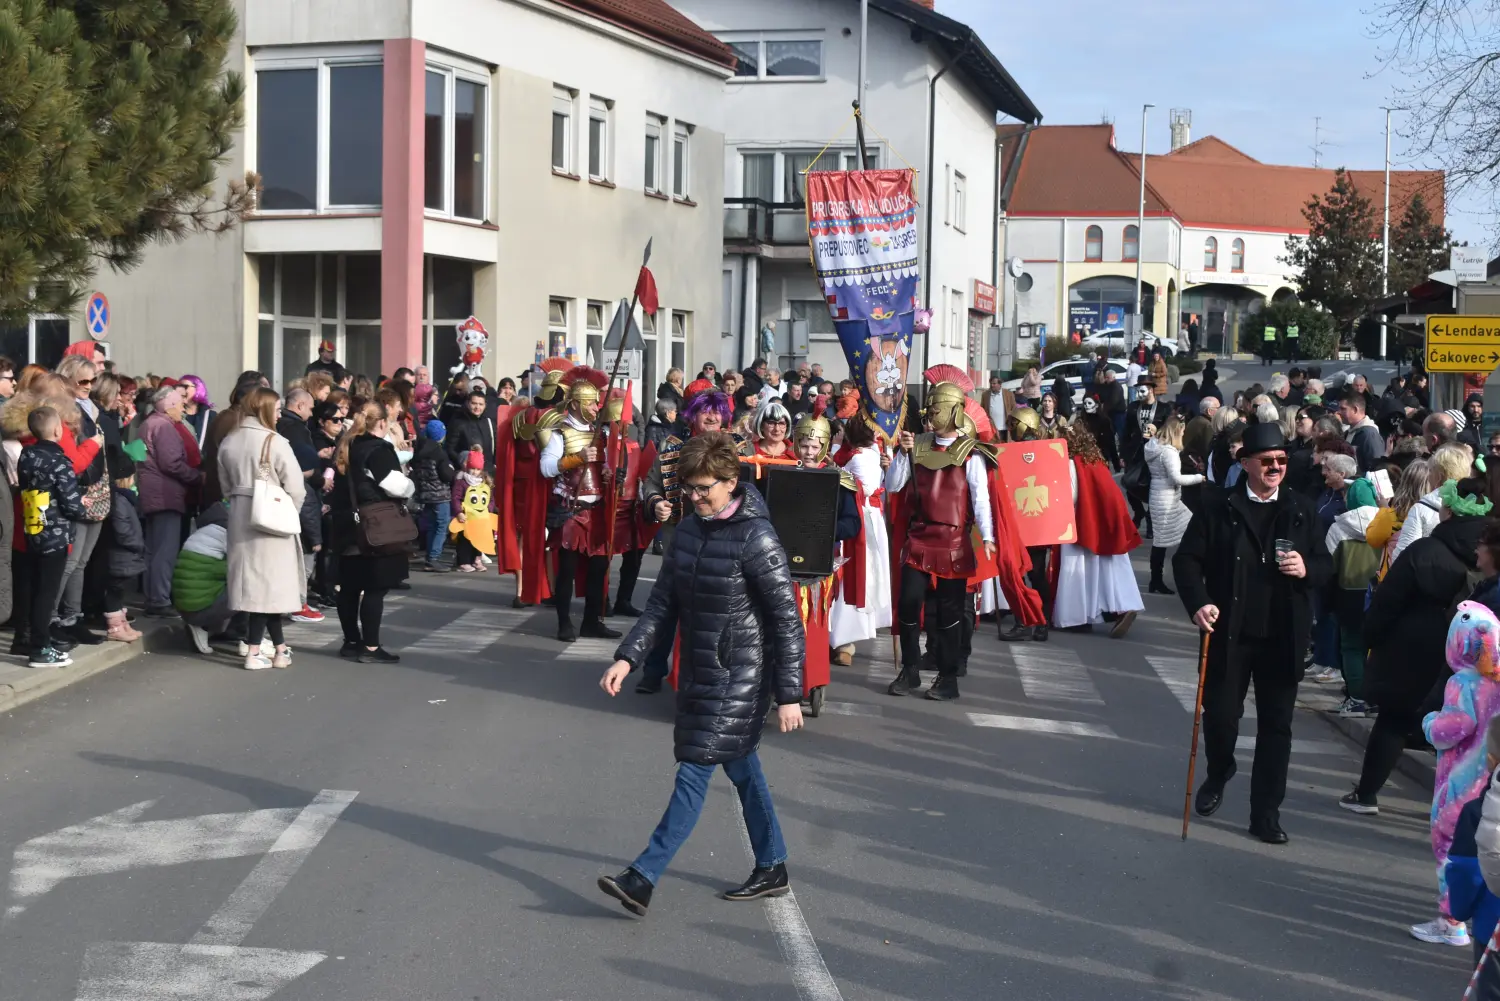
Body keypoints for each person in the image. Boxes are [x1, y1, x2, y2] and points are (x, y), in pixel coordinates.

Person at [596, 432, 805, 917]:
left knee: (694, 768)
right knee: (742, 768)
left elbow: (786, 619)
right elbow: (662, 604)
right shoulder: (688, 532)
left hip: (742, 676)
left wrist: (789, 694)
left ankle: (643, 876)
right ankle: (772, 864)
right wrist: (627, 658)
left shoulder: (757, 537)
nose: (694, 497)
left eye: (703, 488)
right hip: (698, 671)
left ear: (732, 482)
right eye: (688, 488)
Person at [1176, 421, 1331, 844]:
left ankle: (1265, 814)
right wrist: (1199, 603)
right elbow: (1187, 561)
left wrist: (1307, 569)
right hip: (1231, 632)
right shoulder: (1217, 506)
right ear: (1246, 464)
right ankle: (1220, 768)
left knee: (1276, 728)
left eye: (1282, 460)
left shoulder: (1301, 508)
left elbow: (1325, 565)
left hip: (1282, 635)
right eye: (1267, 461)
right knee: (1222, 718)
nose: (1275, 467)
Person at [886, 366, 1042, 697]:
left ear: (955, 411)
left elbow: (981, 500)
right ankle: (911, 669)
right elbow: (895, 485)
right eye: (931, 406)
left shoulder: (971, 454)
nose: (931, 413)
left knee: (950, 612)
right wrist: (903, 454)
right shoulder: (919, 445)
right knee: (910, 603)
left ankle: (948, 676)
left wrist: (987, 536)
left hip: (954, 541)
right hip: (920, 538)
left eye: (938, 406)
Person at [1344, 476, 1492, 816]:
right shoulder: (1487, 554)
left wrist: (1370, 636)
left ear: (1449, 511)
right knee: (1460, 732)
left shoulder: (1425, 550)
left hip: (1411, 649)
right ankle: (1453, 809)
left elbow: (1388, 600)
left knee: (1394, 720)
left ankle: (1366, 795)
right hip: (1468, 655)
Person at [1410, 600, 1500, 948]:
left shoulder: (1463, 682)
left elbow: (1456, 725)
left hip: (1457, 780)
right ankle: (1479, 916)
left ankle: (1451, 920)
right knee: (1483, 849)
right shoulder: (1495, 679)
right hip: (1488, 777)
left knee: (1448, 845)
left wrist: (1429, 723)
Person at [216, 388, 306, 670]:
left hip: (241, 517)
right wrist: (290, 514)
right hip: (272, 517)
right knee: (272, 591)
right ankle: (255, 651)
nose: (279, 415)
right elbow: (296, 488)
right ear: (266, 410)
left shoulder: (229, 441)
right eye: (277, 410)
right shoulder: (275, 442)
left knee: (255, 589)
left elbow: (225, 486)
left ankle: (278, 649)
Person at [328, 400, 412, 663]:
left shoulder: (347, 445)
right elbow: (394, 485)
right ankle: (371, 647)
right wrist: (411, 486)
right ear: (383, 423)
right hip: (375, 525)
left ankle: (351, 641)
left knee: (350, 587)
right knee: (375, 587)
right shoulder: (378, 449)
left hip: (345, 523)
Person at [538, 366, 618, 643]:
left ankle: (590, 622)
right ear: (575, 404)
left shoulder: (601, 433)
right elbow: (546, 467)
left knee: (598, 570)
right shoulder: (560, 432)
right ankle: (563, 623)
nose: (597, 408)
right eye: (591, 403)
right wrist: (577, 458)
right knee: (567, 571)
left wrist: (605, 471)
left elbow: (602, 465)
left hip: (595, 510)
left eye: (597, 403)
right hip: (571, 511)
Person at [1052, 421, 1144, 637]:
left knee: (1079, 572)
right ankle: (1122, 607)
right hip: (1106, 522)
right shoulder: (1095, 460)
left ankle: (1078, 616)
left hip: (1082, 522)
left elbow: (1071, 494)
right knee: (1109, 571)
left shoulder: (1071, 463)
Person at [13, 407, 88, 666]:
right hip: (55, 534)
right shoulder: (59, 461)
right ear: (58, 430)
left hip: (33, 527)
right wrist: (82, 503)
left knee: (35, 588)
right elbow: (71, 504)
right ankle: (41, 648)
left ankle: (32, 640)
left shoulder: (27, 455)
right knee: (47, 592)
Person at [51, 355, 109, 645]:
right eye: (83, 380)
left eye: (92, 380)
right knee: (70, 562)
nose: (89, 386)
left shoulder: (90, 408)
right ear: (68, 380)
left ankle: (72, 617)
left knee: (82, 561)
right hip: (77, 491)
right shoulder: (64, 412)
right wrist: (92, 444)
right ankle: (50, 619)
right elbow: (71, 461)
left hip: (95, 489)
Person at [829, 416, 892, 665]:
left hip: (860, 517)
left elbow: (860, 487)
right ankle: (842, 637)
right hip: (868, 516)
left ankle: (844, 637)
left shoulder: (861, 457)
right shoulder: (868, 453)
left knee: (853, 575)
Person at [138, 385, 202, 616]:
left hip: (151, 493)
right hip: (166, 494)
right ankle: (160, 600)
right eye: (179, 404)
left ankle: (153, 596)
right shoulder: (164, 427)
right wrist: (198, 477)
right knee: (165, 550)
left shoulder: (148, 423)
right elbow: (171, 463)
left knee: (153, 549)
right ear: (169, 406)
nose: (183, 408)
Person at [1445, 715, 1500, 962]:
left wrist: (1459, 910)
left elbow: (1468, 870)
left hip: (1492, 928)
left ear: (1492, 761)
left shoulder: (1476, 811)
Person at [1143, 416, 1203, 595]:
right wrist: (1199, 478)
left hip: (1158, 494)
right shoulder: (1169, 452)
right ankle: (1161, 579)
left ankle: (1156, 579)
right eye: (1182, 431)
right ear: (1177, 431)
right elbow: (1176, 478)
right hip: (1167, 498)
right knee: (1164, 540)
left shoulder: (1153, 447)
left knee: (1164, 539)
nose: (1184, 434)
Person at [1393, 442, 1476, 563]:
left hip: (1427, 576)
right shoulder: (1477, 505)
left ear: (1439, 476)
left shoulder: (1421, 509)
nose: (1428, 475)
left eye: (1431, 471)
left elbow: (1402, 557)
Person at [412, 419, 456, 571]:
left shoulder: (419, 450)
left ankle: (429, 557)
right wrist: (452, 470)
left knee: (432, 525)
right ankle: (434, 558)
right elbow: (447, 475)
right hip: (439, 495)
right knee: (442, 525)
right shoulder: (439, 452)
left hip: (425, 494)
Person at [1339, 391, 1384, 474]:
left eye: (1343, 409)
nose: (1339, 412)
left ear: (1355, 409)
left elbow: (1376, 468)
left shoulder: (1369, 434)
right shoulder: (1349, 432)